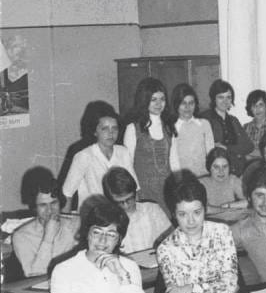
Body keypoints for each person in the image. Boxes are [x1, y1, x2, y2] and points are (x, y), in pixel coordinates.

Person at [50, 203, 146, 293]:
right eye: (97, 232)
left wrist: (122, 277)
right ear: (87, 233)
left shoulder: (128, 267)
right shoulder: (63, 271)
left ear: (119, 239)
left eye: (111, 234)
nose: (102, 240)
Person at [156, 178, 238, 293]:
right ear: (174, 214)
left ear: (205, 210)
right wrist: (217, 290)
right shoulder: (166, 249)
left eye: (197, 212)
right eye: (182, 214)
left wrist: (189, 288)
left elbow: (231, 284)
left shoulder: (222, 232)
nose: (191, 221)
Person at [62, 102, 138, 212]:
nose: (111, 133)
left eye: (114, 128)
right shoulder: (83, 156)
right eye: (105, 129)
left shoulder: (123, 152)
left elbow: (134, 189)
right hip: (93, 215)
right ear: (95, 131)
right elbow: (67, 194)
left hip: (120, 214)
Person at [123, 77, 178, 212]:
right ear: (144, 100)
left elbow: (174, 161)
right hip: (143, 191)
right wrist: (135, 191)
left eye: (162, 99)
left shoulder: (170, 127)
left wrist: (179, 185)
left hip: (167, 190)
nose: (159, 103)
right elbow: (127, 164)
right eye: (154, 99)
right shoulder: (132, 128)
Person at [13, 168, 79, 277]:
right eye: (43, 205)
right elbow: (36, 275)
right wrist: (48, 237)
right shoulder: (22, 237)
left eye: (54, 203)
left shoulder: (74, 225)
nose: (50, 210)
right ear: (34, 207)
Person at [103, 167, 172, 254]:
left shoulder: (152, 210)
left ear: (135, 193)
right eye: (120, 202)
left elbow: (171, 240)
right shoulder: (106, 221)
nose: (126, 206)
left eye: (129, 199)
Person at [200, 79, 255, 175]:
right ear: (214, 98)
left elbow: (249, 146)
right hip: (215, 171)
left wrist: (226, 148)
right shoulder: (205, 118)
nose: (225, 101)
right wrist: (236, 149)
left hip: (237, 170)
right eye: (221, 97)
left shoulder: (234, 120)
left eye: (228, 97)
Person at [171, 83, 214, 178]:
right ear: (176, 104)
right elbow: (173, 160)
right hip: (183, 179)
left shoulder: (204, 124)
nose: (188, 107)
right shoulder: (171, 128)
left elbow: (211, 154)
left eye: (191, 103)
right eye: (183, 103)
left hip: (204, 177)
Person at [199, 147, 246, 214]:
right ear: (209, 167)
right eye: (216, 167)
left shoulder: (233, 180)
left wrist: (228, 205)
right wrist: (225, 210)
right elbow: (201, 209)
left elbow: (250, 201)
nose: (221, 171)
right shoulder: (202, 183)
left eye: (225, 166)